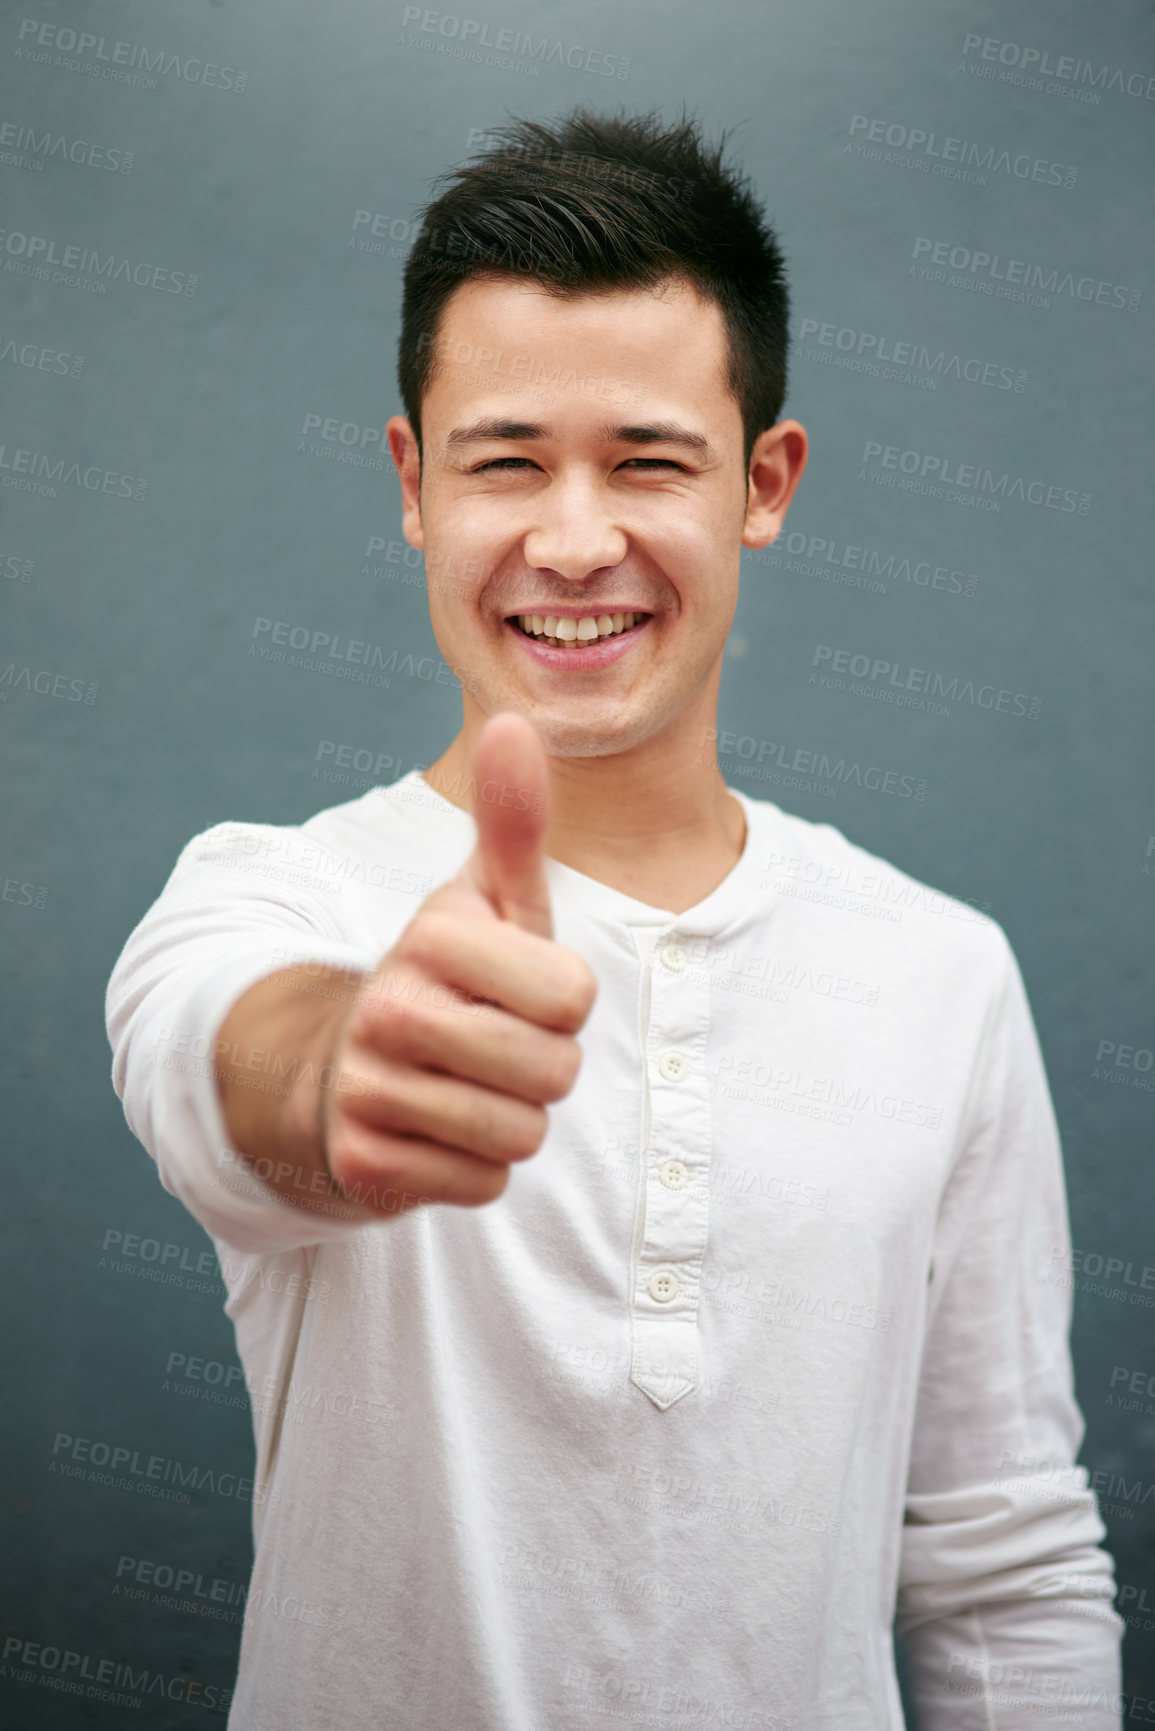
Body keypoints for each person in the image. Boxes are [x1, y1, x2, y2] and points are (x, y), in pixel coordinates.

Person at [106, 106, 1125, 1729]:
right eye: (505, 460)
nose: (574, 542)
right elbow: (233, 1072)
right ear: (412, 485)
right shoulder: (265, 898)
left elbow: (1004, 1565)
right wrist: (346, 1066)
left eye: (649, 462)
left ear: (763, 485)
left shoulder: (944, 975)